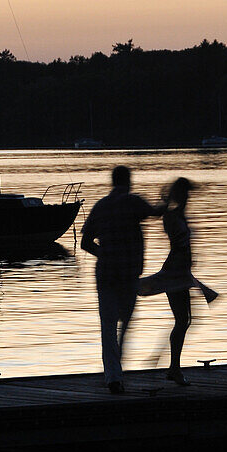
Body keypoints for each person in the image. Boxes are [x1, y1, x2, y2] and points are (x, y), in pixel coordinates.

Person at [81, 166, 163, 393]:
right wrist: (167, 200)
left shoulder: (100, 206)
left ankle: (113, 376)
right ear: (128, 182)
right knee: (124, 323)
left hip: (106, 273)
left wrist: (105, 254)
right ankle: (117, 370)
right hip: (128, 274)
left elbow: (85, 243)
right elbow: (156, 212)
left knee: (107, 326)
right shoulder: (133, 202)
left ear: (112, 182)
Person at [139, 177, 217, 386]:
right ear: (178, 195)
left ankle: (170, 364)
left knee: (185, 321)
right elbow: (179, 242)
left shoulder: (180, 215)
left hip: (181, 273)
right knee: (183, 320)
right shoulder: (171, 217)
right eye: (184, 194)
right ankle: (172, 367)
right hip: (175, 273)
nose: (187, 198)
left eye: (188, 194)